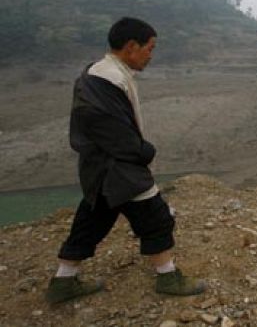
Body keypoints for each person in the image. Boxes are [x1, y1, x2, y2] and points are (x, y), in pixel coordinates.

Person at [45, 17, 205, 304]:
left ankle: (63, 281)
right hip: (119, 170)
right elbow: (114, 133)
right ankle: (168, 277)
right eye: (149, 48)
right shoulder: (104, 80)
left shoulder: (103, 74)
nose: (151, 55)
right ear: (131, 46)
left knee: (91, 222)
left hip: (103, 169)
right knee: (156, 219)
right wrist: (144, 152)